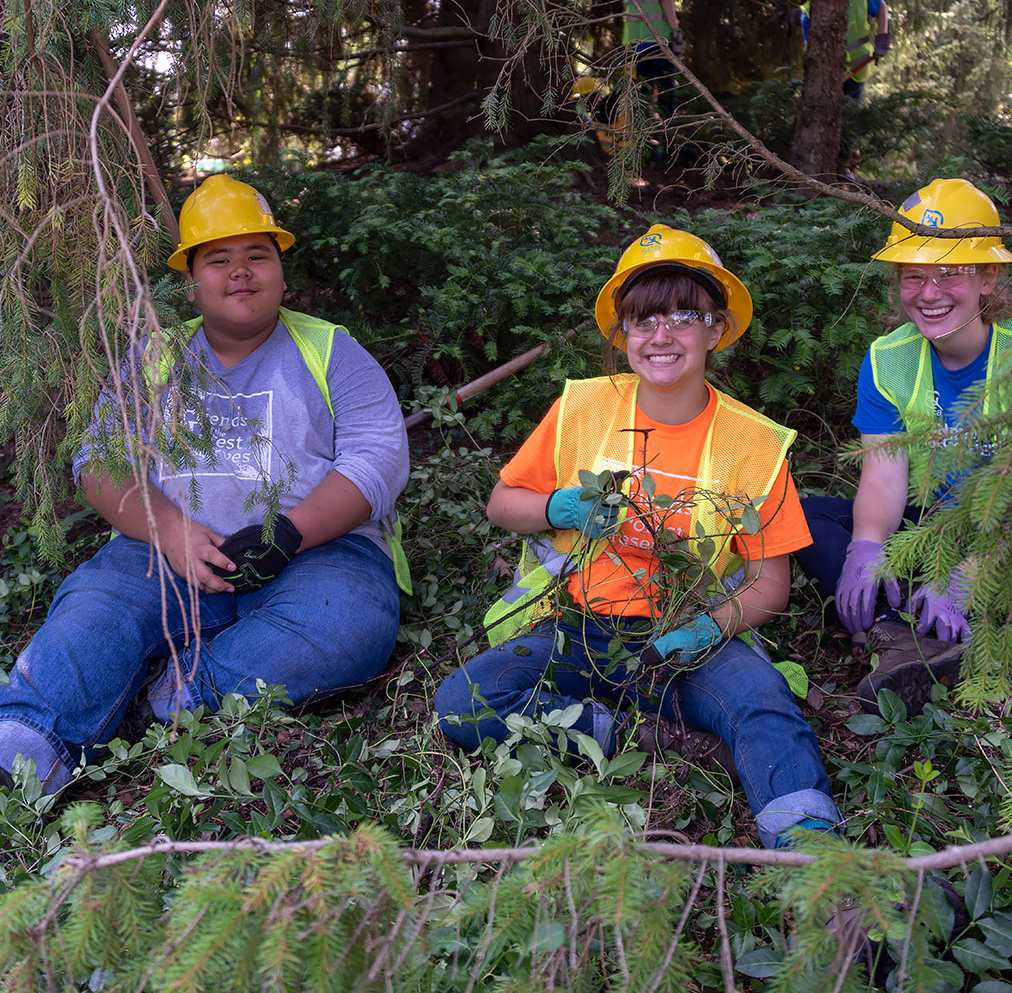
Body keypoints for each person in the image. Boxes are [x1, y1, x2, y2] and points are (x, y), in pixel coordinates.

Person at [435, 224, 842, 849]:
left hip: (687, 638)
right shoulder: (584, 409)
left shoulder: (755, 445)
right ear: (621, 335)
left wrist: (707, 629)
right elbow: (501, 504)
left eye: (684, 315)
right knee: (465, 702)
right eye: (642, 319)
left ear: (715, 330)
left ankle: (815, 853)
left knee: (763, 706)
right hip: (576, 628)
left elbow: (770, 585)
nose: (661, 335)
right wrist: (557, 508)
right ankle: (638, 735)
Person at [0, 175, 410, 794]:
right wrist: (169, 529)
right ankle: (27, 747)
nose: (241, 272)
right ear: (191, 283)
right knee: (93, 614)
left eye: (258, 256)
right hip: (162, 553)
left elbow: (378, 460)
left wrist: (291, 533)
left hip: (322, 556)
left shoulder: (332, 352)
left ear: (280, 270)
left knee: (345, 626)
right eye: (219, 260)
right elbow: (100, 463)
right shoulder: (152, 361)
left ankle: (179, 691)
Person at [794, 178, 1012, 715]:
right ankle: (898, 635)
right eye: (914, 277)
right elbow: (884, 477)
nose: (930, 294)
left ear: (989, 277)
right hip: (939, 529)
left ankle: (954, 624)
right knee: (804, 516)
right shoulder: (890, 357)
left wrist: (974, 572)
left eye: (951, 273)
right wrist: (866, 546)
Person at [799, 0, 891, 102]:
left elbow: (881, 6)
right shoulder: (807, 12)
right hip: (828, 80)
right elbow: (810, 51)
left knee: (851, 116)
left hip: (858, 67)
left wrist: (882, 42)